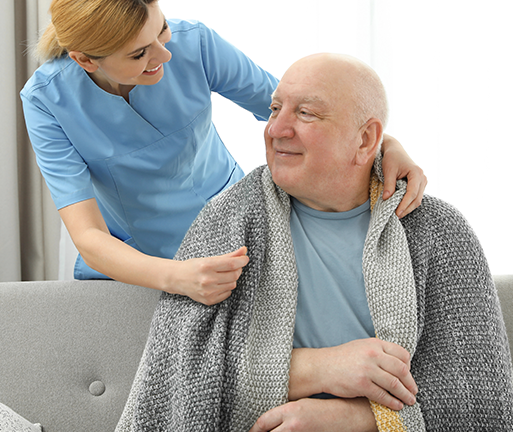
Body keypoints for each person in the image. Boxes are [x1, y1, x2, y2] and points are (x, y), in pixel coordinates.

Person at [116, 53, 513, 431]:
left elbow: (481, 396)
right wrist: (317, 368)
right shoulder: (225, 223)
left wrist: (358, 420)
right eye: (275, 109)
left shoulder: (438, 231)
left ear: (366, 140)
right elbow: (174, 382)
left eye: (305, 113)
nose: (275, 129)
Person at [20, 0, 426, 302]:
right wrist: (176, 277)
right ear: (85, 60)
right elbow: (88, 235)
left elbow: (294, 111)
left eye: (161, 31)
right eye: (139, 53)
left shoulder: (195, 44)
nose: (164, 54)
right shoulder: (46, 101)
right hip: (138, 262)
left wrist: (382, 143)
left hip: (234, 233)